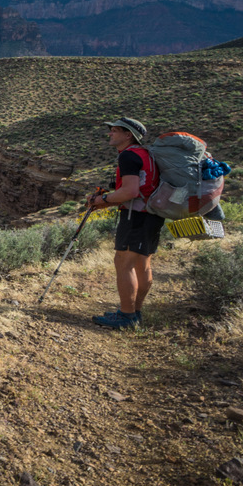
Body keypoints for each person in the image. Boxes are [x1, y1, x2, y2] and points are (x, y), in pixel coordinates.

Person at [86, 117, 165, 329]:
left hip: (136, 217)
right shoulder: (145, 154)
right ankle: (134, 312)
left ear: (128, 135)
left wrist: (101, 200)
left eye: (114, 131)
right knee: (142, 263)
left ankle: (127, 316)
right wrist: (108, 201)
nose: (110, 134)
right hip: (153, 214)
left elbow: (131, 191)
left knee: (123, 262)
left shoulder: (129, 156)